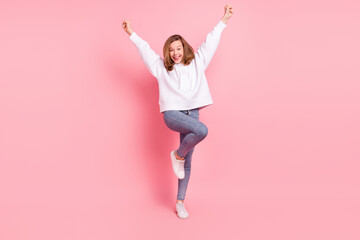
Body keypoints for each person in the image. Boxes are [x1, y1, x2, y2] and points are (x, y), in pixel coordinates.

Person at [122, 4, 233, 219]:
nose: (175, 53)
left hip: (193, 112)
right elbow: (145, 51)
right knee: (202, 131)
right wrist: (131, 34)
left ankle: (180, 201)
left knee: (186, 164)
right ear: (167, 52)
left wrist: (224, 20)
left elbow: (211, 41)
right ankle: (177, 154)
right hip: (173, 114)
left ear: (185, 48)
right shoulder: (162, 67)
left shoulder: (198, 62)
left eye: (178, 49)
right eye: (171, 50)